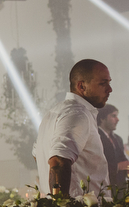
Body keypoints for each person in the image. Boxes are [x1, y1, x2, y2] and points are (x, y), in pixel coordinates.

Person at [35, 59, 112, 198]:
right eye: (103, 83)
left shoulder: (53, 113)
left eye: (109, 83)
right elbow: (58, 162)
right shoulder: (78, 113)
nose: (109, 89)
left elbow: (38, 155)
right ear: (81, 86)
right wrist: (62, 205)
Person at [97, 104, 129, 190]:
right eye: (113, 116)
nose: (117, 119)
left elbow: (122, 159)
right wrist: (117, 167)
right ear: (102, 118)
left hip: (120, 188)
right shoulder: (96, 137)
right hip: (103, 188)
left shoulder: (118, 139)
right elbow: (94, 164)